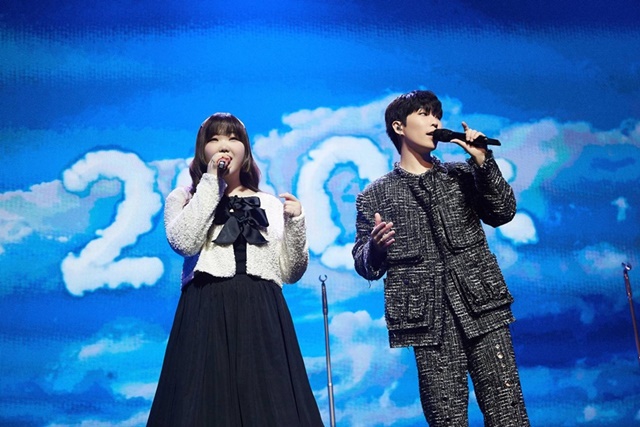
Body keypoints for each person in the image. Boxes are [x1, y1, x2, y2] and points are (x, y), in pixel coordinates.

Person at [352, 90, 529, 426]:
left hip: (482, 305)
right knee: (446, 418)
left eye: (437, 115)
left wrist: (483, 161)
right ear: (399, 127)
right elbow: (364, 264)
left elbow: (503, 211)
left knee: (508, 412)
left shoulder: (461, 175)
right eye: (424, 114)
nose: (434, 122)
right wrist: (375, 248)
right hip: (428, 320)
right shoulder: (375, 195)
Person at [148, 112, 324, 427]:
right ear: (202, 151)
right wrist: (210, 184)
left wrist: (296, 222)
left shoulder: (268, 203)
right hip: (206, 306)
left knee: (270, 403)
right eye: (214, 139)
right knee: (204, 403)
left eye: (232, 138)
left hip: (261, 308)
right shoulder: (185, 198)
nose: (224, 145)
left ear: (245, 150)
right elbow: (184, 242)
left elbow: (291, 271)